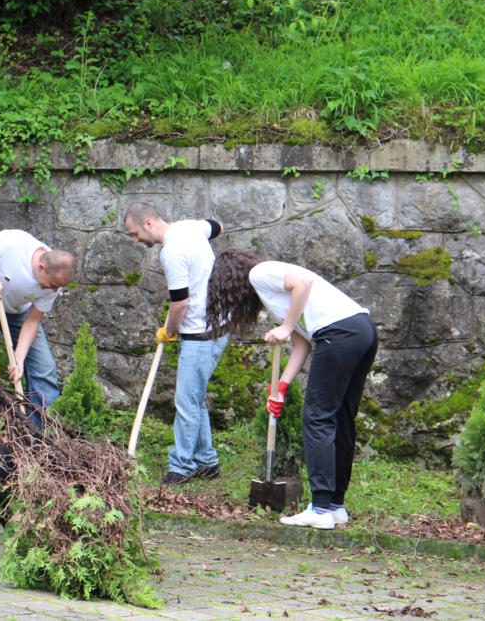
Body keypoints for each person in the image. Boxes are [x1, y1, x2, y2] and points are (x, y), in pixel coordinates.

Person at [205, 248, 378, 530]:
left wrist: (285, 327)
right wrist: (281, 388)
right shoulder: (273, 296)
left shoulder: (259, 273)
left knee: (318, 418)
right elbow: (303, 344)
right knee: (341, 420)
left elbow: (302, 283)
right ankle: (335, 507)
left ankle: (320, 509)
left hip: (339, 333)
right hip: (361, 330)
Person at [123, 203, 227, 486]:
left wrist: (168, 330)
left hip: (200, 334)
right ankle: (207, 461)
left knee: (186, 402)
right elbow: (216, 226)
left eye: (134, 234)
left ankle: (181, 466)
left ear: (147, 223)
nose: (135, 241)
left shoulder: (171, 252)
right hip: (219, 326)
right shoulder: (191, 227)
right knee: (195, 398)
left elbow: (180, 302)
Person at [0, 230, 75, 413]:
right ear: (41, 267)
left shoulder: (55, 281)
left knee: (44, 367)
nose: (54, 290)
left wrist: (19, 359)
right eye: (52, 285)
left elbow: (32, 322)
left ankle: (41, 433)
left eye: (58, 287)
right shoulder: (12, 245)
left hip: (16, 309)